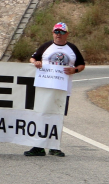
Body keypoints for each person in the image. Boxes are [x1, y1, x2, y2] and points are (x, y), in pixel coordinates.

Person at [25, 22, 85, 157]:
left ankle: (54, 147)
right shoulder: (46, 46)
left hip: (63, 89)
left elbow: (81, 65)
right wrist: (35, 62)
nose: (59, 34)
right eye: (56, 32)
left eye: (62, 32)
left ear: (67, 34)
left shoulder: (72, 48)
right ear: (52, 33)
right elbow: (33, 57)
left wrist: (74, 70)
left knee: (57, 117)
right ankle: (38, 147)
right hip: (44, 88)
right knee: (41, 115)